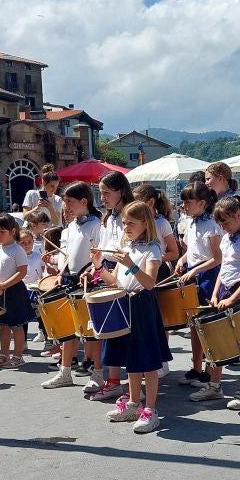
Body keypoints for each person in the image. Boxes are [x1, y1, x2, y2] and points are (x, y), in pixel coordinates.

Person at [97, 201, 172, 432]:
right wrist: (99, 267)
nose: (126, 226)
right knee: (131, 359)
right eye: (124, 222)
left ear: (144, 223)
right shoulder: (127, 247)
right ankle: (132, 403)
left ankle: (151, 409)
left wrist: (130, 264)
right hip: (125, 302)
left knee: (147, 361)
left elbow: (149, 283)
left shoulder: (153, 248)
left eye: (131, 222)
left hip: (142, 304)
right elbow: (117, 281)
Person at [191, 194, 240, 411]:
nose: (223, 227)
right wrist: (215, 294)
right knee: (217, 340)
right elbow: (223, 271)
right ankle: (215, 386)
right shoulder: (227, 237)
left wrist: (234, 298)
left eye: (226, 221)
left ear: (239, 214)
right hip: (224, 291)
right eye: (220, 223)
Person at [42, 182, 102, 390]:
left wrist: (93, 273)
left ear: (84, 201)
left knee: (90, 330)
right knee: (69, 329)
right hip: (69, 279)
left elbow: (98, 254)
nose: (65, 205)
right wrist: (58, 269)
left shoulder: (96, 224)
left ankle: (98, 373)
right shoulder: (70, 227)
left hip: (89, 279)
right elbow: (67, 255)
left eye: (69, 201)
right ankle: (65, 371)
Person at [88, 172, 135, 401]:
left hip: (126, 273)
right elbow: (104, 248)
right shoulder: (108, 218)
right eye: (100, 192)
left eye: (106, 192)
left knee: (127, 333)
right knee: (111, 333)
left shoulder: (131, 214)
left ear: (121, 191)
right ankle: (114, 381)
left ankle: (133, 385)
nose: (102, 197)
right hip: (107, 272)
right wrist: (94, 267)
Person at [174, 181, 222, 387]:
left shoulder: (212, 224)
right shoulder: (191, 222)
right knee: (194, 324)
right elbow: (192, 251)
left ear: (202, 203)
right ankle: (196, 366)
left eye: (188, 202)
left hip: (209, 276)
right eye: (183, 202)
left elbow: (217, 257)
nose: (184, 206)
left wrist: (194, 269)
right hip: (194, 273)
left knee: (209, 326)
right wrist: (181, 261)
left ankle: (210, 371)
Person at [0, 214, 32, 367]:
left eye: (2, 231)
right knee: (4, 325)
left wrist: (5, 284)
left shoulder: (17, 250)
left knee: (16, 326)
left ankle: (18, 357)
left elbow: (22, 271)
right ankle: (4, 355)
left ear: (12, 231)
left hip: (14, 291)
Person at [133, 183, 180, 267]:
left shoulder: (161, 223)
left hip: (158, 268)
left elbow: (174, 253)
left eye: (137, 203)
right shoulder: (136, 222)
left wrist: (152, 259)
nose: (133, 207)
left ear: (151, 202)